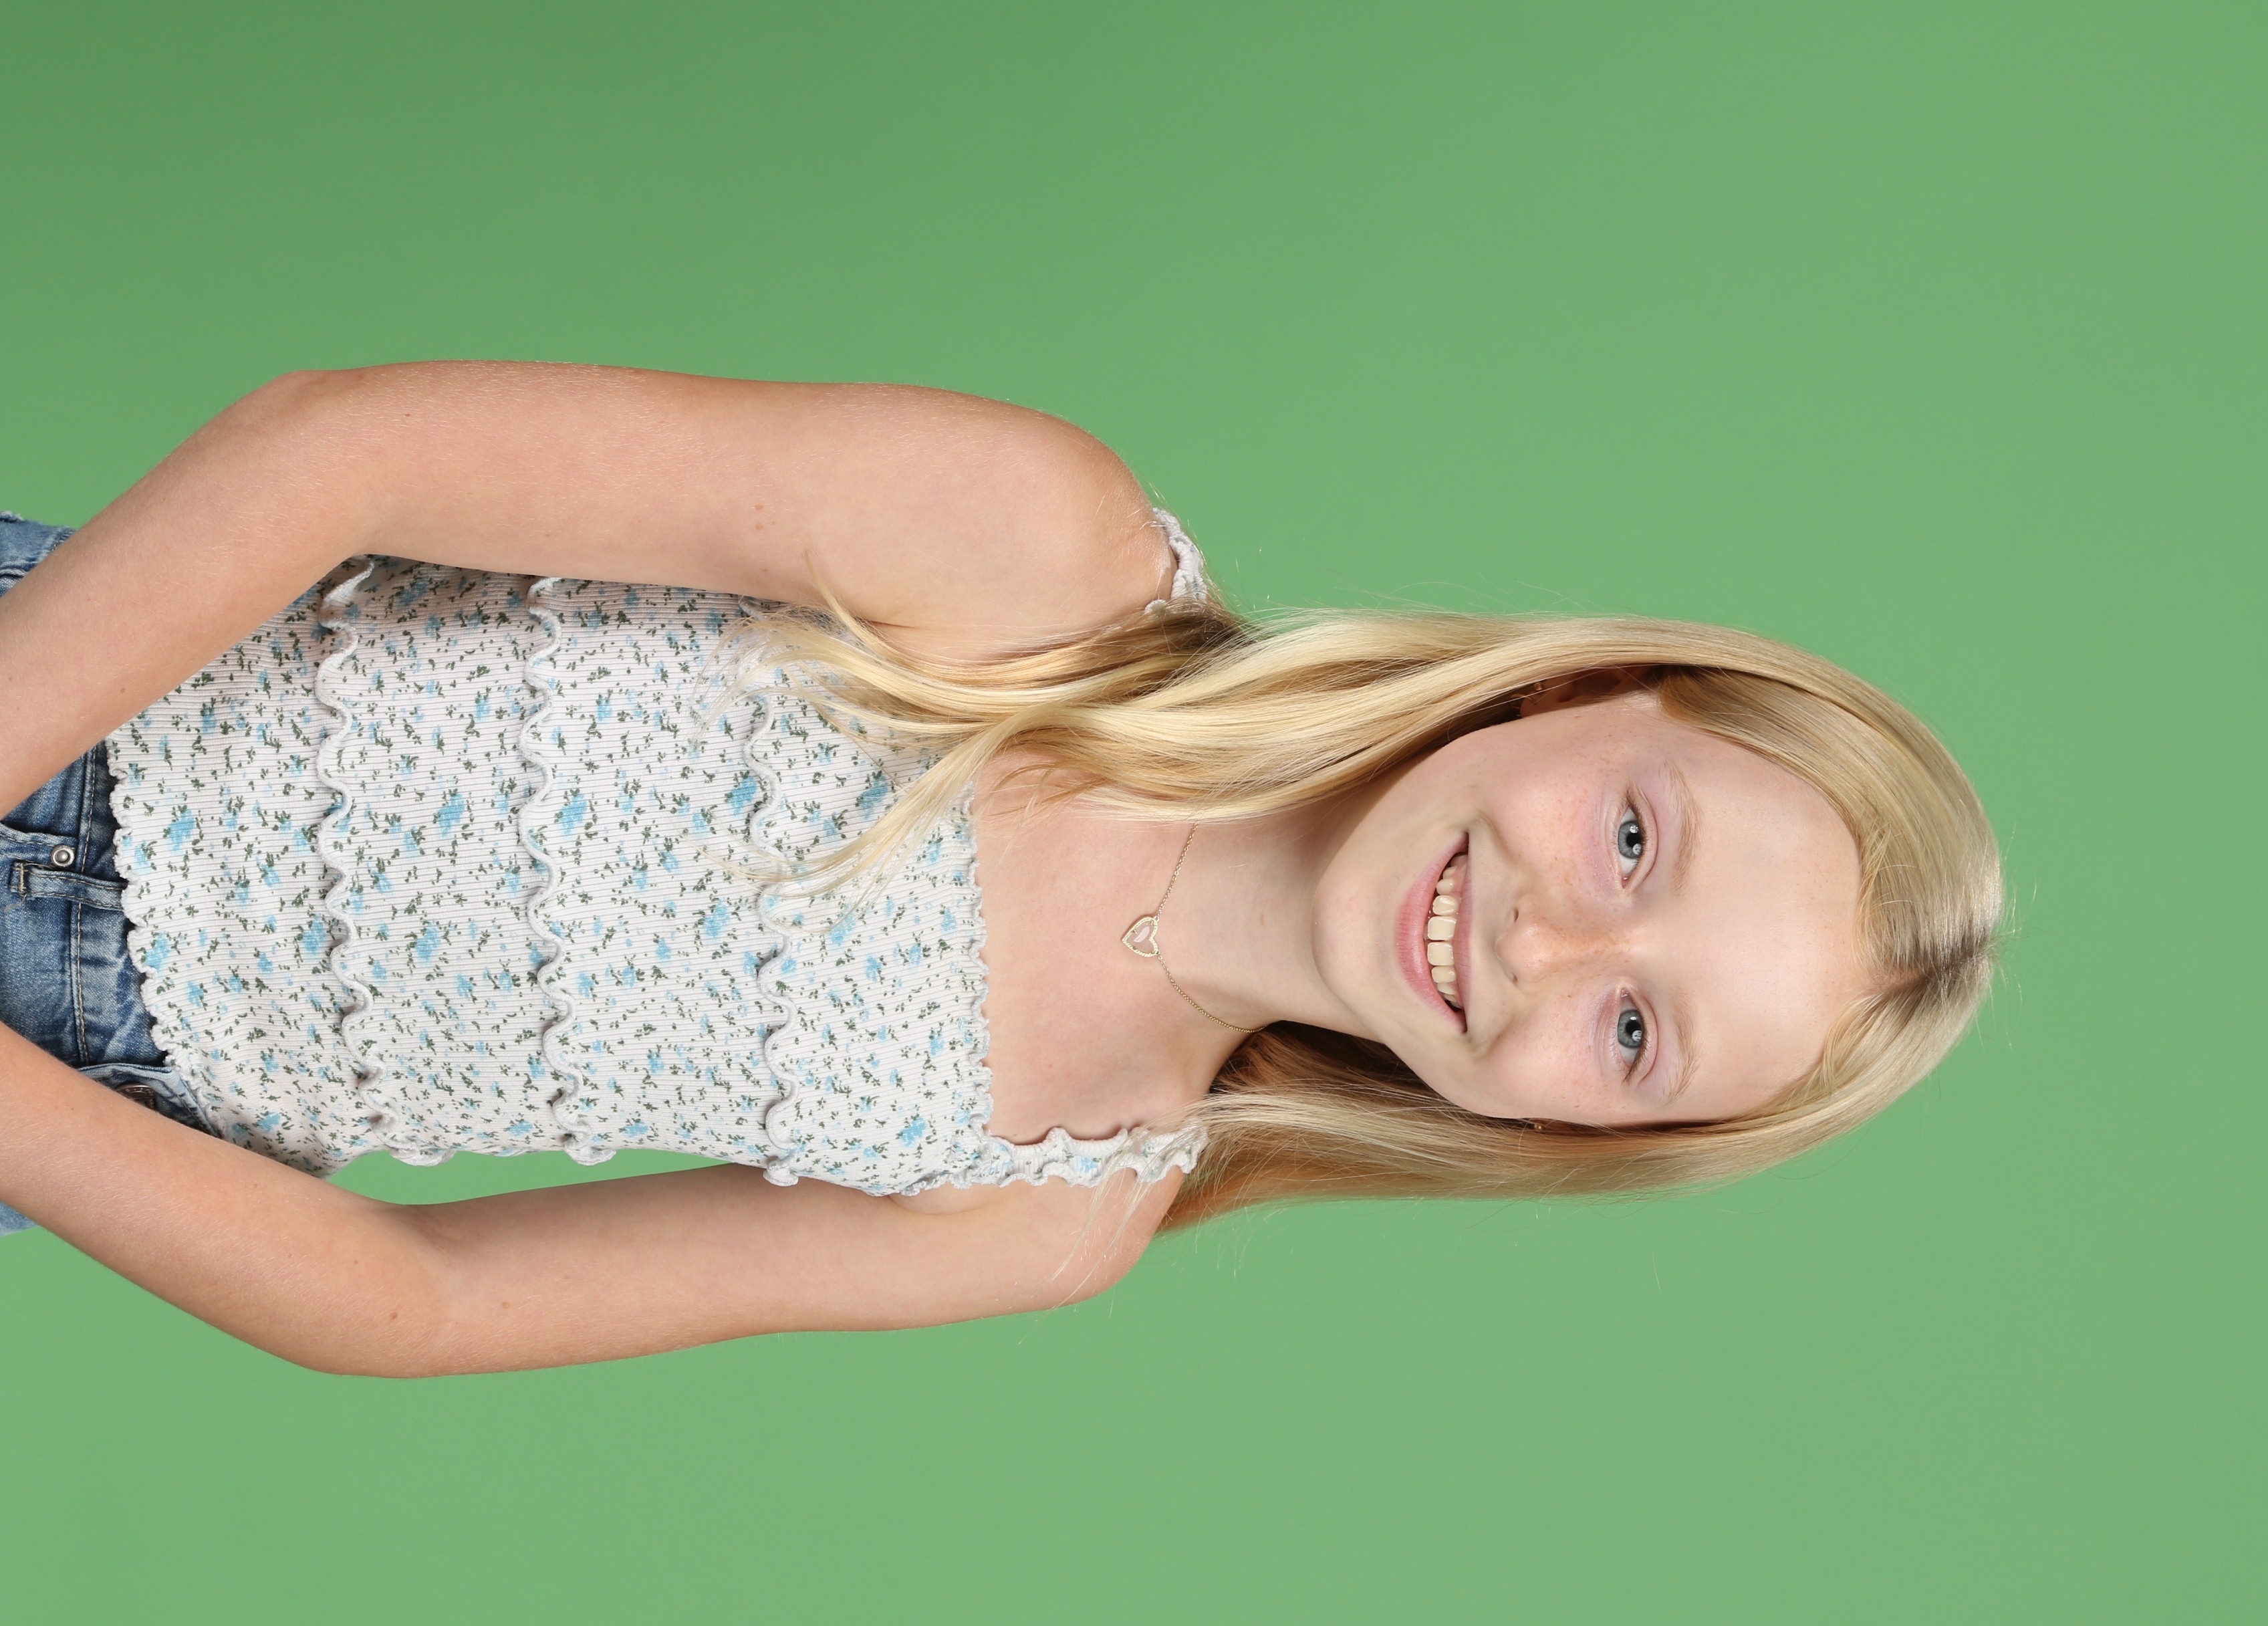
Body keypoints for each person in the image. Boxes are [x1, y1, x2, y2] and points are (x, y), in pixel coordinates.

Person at [0, 363, 2002, 1375]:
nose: (1554, 939)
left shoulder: (1045, 1207)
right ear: (1578, 693)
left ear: (1568, 1130)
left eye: (1637, 1032)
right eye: (1633, 838)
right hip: (74, 682)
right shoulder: (1043, 561)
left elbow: (423, 1301)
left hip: (63, 1097)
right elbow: (342, 452)